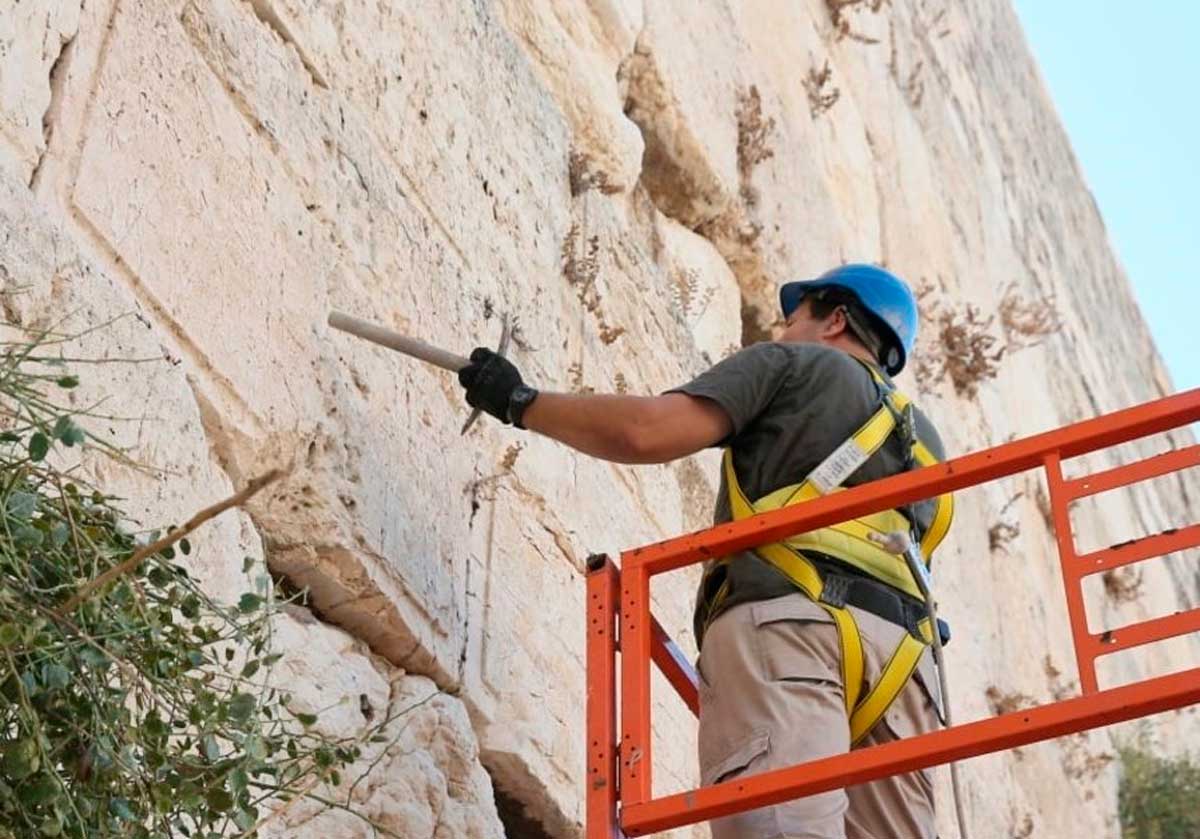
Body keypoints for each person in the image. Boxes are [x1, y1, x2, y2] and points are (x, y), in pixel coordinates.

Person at [457, 263, 954, 839]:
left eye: (792, 318)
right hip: (906, 671)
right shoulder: (928, 443)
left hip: (793, 629)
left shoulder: (794, 365)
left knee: (779, 826)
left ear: (835, 318)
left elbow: (645, 431)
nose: (782, 329)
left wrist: (520, 401)